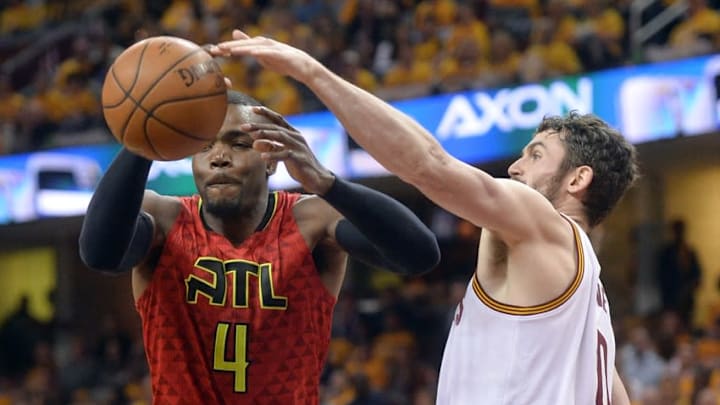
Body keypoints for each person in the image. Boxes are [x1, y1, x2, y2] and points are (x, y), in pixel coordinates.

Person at [210, 29, 639, 404]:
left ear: (578, 179)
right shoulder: (594, 314)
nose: (515, 167)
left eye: (536, 154)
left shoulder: (543, 223)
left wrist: (310, 71)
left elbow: (428, 165)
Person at [78, 90, 440, 404]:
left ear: (270, 157)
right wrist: (144, 138)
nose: (219, 156)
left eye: (238, 143)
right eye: (205, 146)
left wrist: (329, 184)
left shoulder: (311, 220)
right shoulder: (163, 218)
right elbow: (99, 253)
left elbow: (419, 255)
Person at [656, 219, 702, 324]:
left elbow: (697, 276)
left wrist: (688, 289)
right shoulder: (667, 253)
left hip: (687, 301)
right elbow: (662, 277)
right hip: (671, 300)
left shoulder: (689, 252)